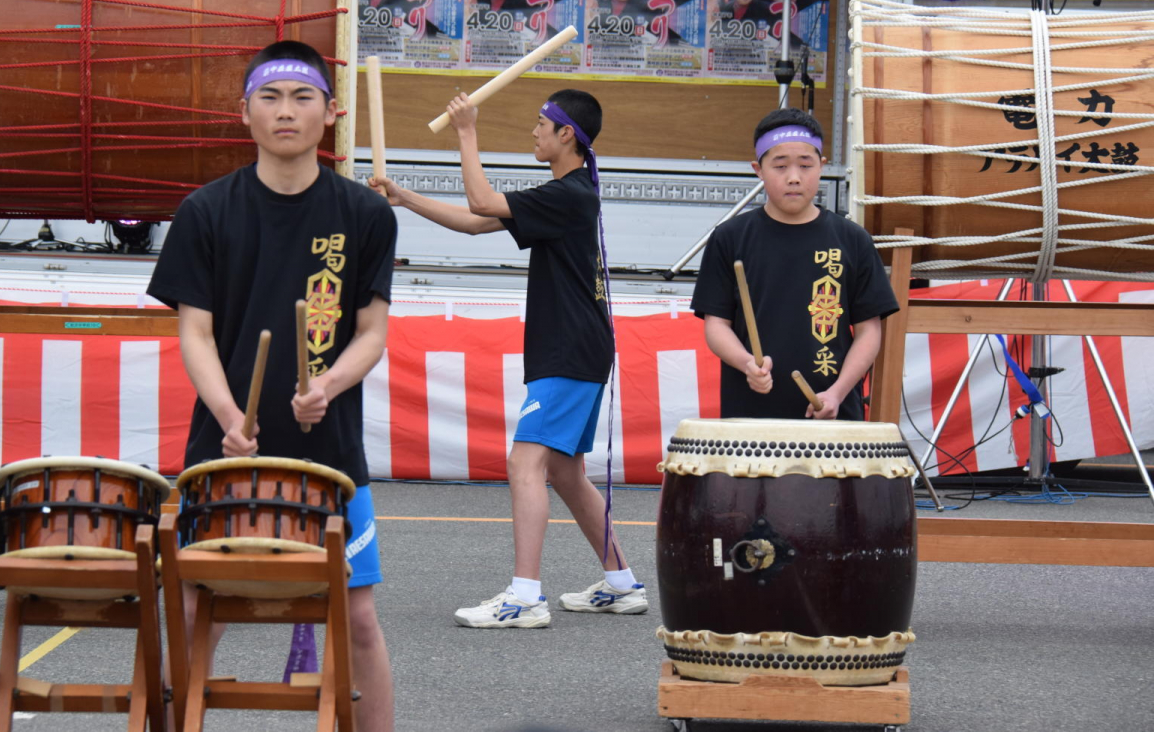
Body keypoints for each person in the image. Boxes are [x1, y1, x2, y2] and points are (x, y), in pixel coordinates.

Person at [147, 40, 396, 729]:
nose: (286, 111)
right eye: (271, 98)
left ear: (330, 113)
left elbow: (371, 331)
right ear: (245, 113)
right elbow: (194, 331)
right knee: (196, 607)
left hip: (333, 457)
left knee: (360, 618)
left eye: (302, 97)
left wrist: (331, 383)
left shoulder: (365, 215)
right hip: (225, 449)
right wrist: (229, 414)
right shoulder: (205, 211)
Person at [370, 89, 647, 629]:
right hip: (576, 346)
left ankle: (524, 597)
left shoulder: (569, 194)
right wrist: (406, 197)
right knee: (564, 472)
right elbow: (478, 223)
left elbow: (480, 203)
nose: (534, 132)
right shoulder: (565, 193)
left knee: (526, 463)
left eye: (542, 124)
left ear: (567, 134)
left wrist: (466, 131)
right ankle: (621, 583)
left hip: (569, 349)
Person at [690, 108, 898, 421]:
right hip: (751, 411)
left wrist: (838, 392)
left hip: (831, 412)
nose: (794, 177)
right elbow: (716, 324)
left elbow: (870, 330)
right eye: (780, 165)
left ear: (822, 166)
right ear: (757, 169)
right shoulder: (730, 237)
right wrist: (747, 362)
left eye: (805, 165)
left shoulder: (852, 239)